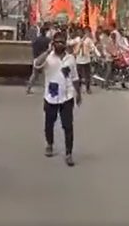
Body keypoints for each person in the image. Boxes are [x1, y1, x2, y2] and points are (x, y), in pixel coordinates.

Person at [34, 31, 81, 166]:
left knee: (68, 126)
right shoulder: (48, 58)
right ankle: (49, 143)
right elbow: (37, 65)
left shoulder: (70, 59)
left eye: (62, 42)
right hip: (51, 96)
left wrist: (78, 94)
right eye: (57, 42)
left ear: (65, 43)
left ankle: (68, 153)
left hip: (67, 96)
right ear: (53, 43)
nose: (59, 44)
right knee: (49, 123)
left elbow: (75, 78)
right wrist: (47, 51)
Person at [72, 26, 99, 94]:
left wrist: (96, 53)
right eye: (78, 32)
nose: (79, 33)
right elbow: (70, 43)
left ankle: (88, 88)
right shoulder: (77, 39)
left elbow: (93, 46)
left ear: (82, 32)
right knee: (79, 75)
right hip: (78, 60)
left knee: (87, 75)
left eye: (80, 32)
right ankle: (79, 88)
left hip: (86, 59)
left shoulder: (88, 40)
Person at [26, 25, 51, 94]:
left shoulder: (35, 40)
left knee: (34, 75)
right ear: (45, 32)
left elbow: (33, 48)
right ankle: (47, 89)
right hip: (44, 59)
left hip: (36, 59)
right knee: (46, 74)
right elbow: (49, 49)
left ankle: (28, 88)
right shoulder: (48, 40)